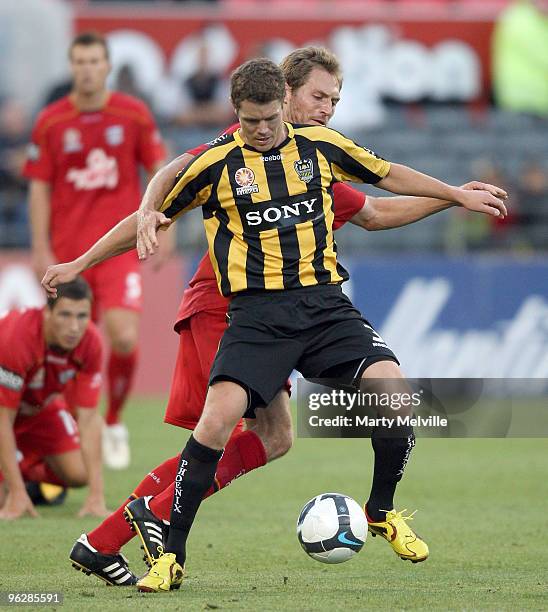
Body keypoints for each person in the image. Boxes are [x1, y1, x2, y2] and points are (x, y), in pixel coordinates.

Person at [42, 51, 507, 589]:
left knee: (282, 433)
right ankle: (153, 516)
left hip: (315, 305)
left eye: (335, 99)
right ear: (284, 93)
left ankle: (109, 536)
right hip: (230, 305)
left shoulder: (318, 153)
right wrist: (111, 237)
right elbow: (170, 176)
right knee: (233, 430)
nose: (328, 108)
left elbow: (377, 210)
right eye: (319, 96)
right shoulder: (233, 149)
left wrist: (452, 198)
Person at [23, 32, 167, 470]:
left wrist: (166, 227)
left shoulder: (133, 114)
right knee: (67, 344)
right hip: (68, 253)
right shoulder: (51, 121)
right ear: (73, 67)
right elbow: (39, 187)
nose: (87, 69)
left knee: (123, 335)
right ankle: (64, 437)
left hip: (119, 248)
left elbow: (158, 169)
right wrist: (40, 246)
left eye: (94, 61)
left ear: (107, 66)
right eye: (80, 61)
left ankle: (114, 420)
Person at [0, 278, 108, 522]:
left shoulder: (91, 342)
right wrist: (16, 493)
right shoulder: (17, 337)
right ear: (46, 312)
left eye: (82, 316)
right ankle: (18, 484)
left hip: (39, 411)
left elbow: (89, 419)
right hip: (4, 412)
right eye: (65, 315)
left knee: (80, 474)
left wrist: (96, 495)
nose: (74, 327)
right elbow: (2, 419)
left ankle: (25, 475)